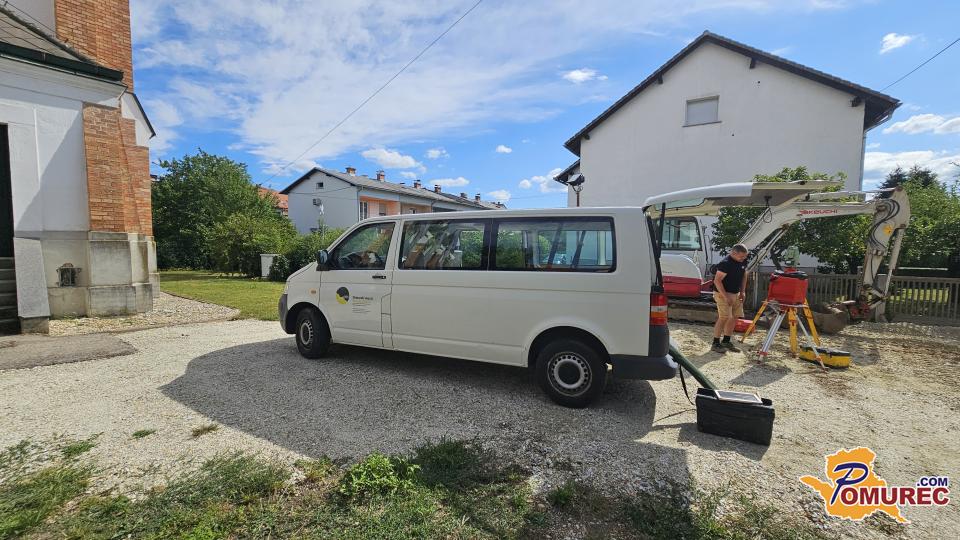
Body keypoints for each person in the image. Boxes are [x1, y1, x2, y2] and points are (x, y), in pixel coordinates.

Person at [712, 244, 749, 353]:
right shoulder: (725, 264)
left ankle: (726, 341)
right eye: (741, 256)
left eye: (745, 256)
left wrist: (742, 291)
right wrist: (725, 296)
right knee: (724, 317)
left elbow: (744, 275)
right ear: (733, 253)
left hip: (736, 293)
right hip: (722, 293)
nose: (743, 259)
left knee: (735, 317)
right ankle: (715, 343)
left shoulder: (743, 261)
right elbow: (717, 281)